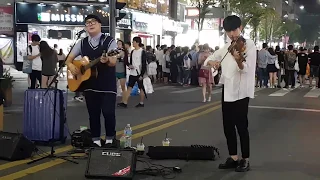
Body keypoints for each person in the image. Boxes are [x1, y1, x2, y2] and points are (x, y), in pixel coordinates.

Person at [205, 15, 256, 172]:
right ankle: (233, 157)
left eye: (234, 30)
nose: (232, 34)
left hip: (241, 92)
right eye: (229, 31)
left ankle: (245, 159)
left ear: (240, 27)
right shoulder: (226, 46)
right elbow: (208, 60)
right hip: (227, 90)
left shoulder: (248, 45)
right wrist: (212, 62)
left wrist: (238, 57)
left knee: (241, 126)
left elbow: (247, 68)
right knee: (228, 125)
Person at [65, 14, 118, 147]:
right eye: (87, 22)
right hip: (89, 84)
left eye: (94, 21)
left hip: (107, 84)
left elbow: (113, 62)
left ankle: (110, 139)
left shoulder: (110, 41)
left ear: (100, 25)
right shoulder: (81, 42)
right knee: (93, 114)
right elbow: (68, 59)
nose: (90, 24)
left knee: (108, 112)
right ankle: (95, 140)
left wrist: (107, 60)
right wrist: (71, 66)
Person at [117, 37, 147, 108]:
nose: (132, 43)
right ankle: (125, 102)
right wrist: (130, 65)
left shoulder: (142, 52)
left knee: (141, 88)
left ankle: (141, 102)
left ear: (137, 43)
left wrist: (142, 74)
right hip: (132, 73)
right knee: (129, 87)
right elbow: (130, 62)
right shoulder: (133, 51)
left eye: (133, 42)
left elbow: (144, 64)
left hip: (139, 73)